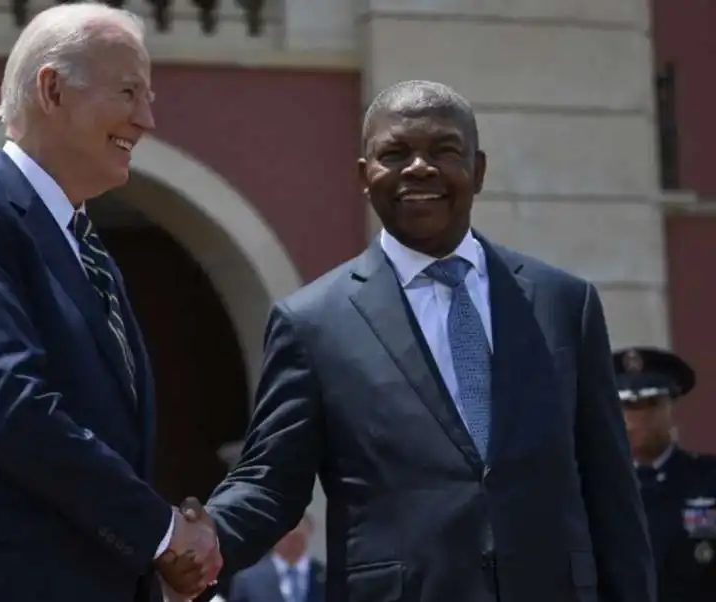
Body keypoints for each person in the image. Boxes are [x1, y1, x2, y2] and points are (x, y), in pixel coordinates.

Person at [181, 80, 656, 601]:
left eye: (444, 151)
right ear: (366, 176)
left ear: (477, 170)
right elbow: (271, 480)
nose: (420, 168)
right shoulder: (313, 323)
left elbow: (612, 493)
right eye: (395, 153)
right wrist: (203, 537)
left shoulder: (563, 303)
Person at [0, 3, 218, 601]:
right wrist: (161, 532)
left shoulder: (90, 250)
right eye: (129, 92)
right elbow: (12, 409)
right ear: (51, 89)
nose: (148, 119)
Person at [614, 346, 716, 602]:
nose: (638, 419)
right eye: (627, 406)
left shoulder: (708, 479)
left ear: (671, 408)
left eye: (651, 404)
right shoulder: (590, 488)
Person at [228, 513, 325, 602]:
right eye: (288, 535)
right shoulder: (248, 578)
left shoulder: (324, 576)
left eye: (298, 537)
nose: (292, 541)